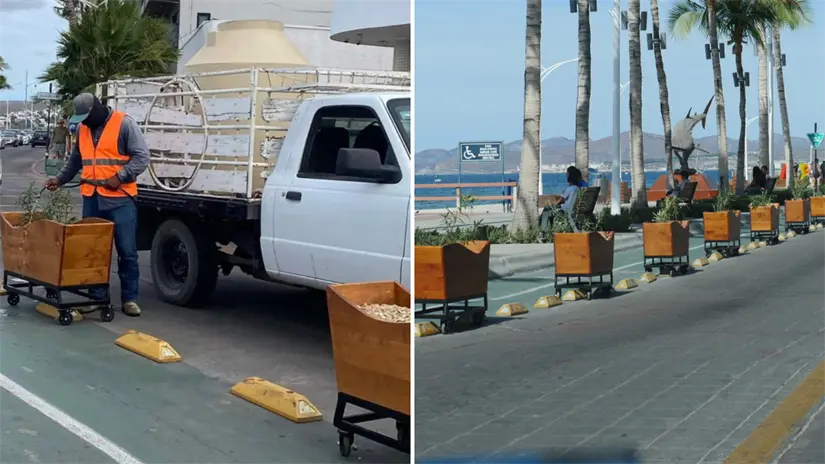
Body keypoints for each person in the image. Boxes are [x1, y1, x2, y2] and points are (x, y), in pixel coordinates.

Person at [45, 93, 149, 317]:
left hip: (120, 199)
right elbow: (76, 160)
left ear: (97, 110)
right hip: (91, 197)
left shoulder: (124, 124)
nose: (84, 122)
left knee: (127, 251)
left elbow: (141, 157)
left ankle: (130, 299)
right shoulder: (83, 129)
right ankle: (96, 297)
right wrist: (60, 179)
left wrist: (120, 176)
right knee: (93, 251)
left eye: (86, 117)